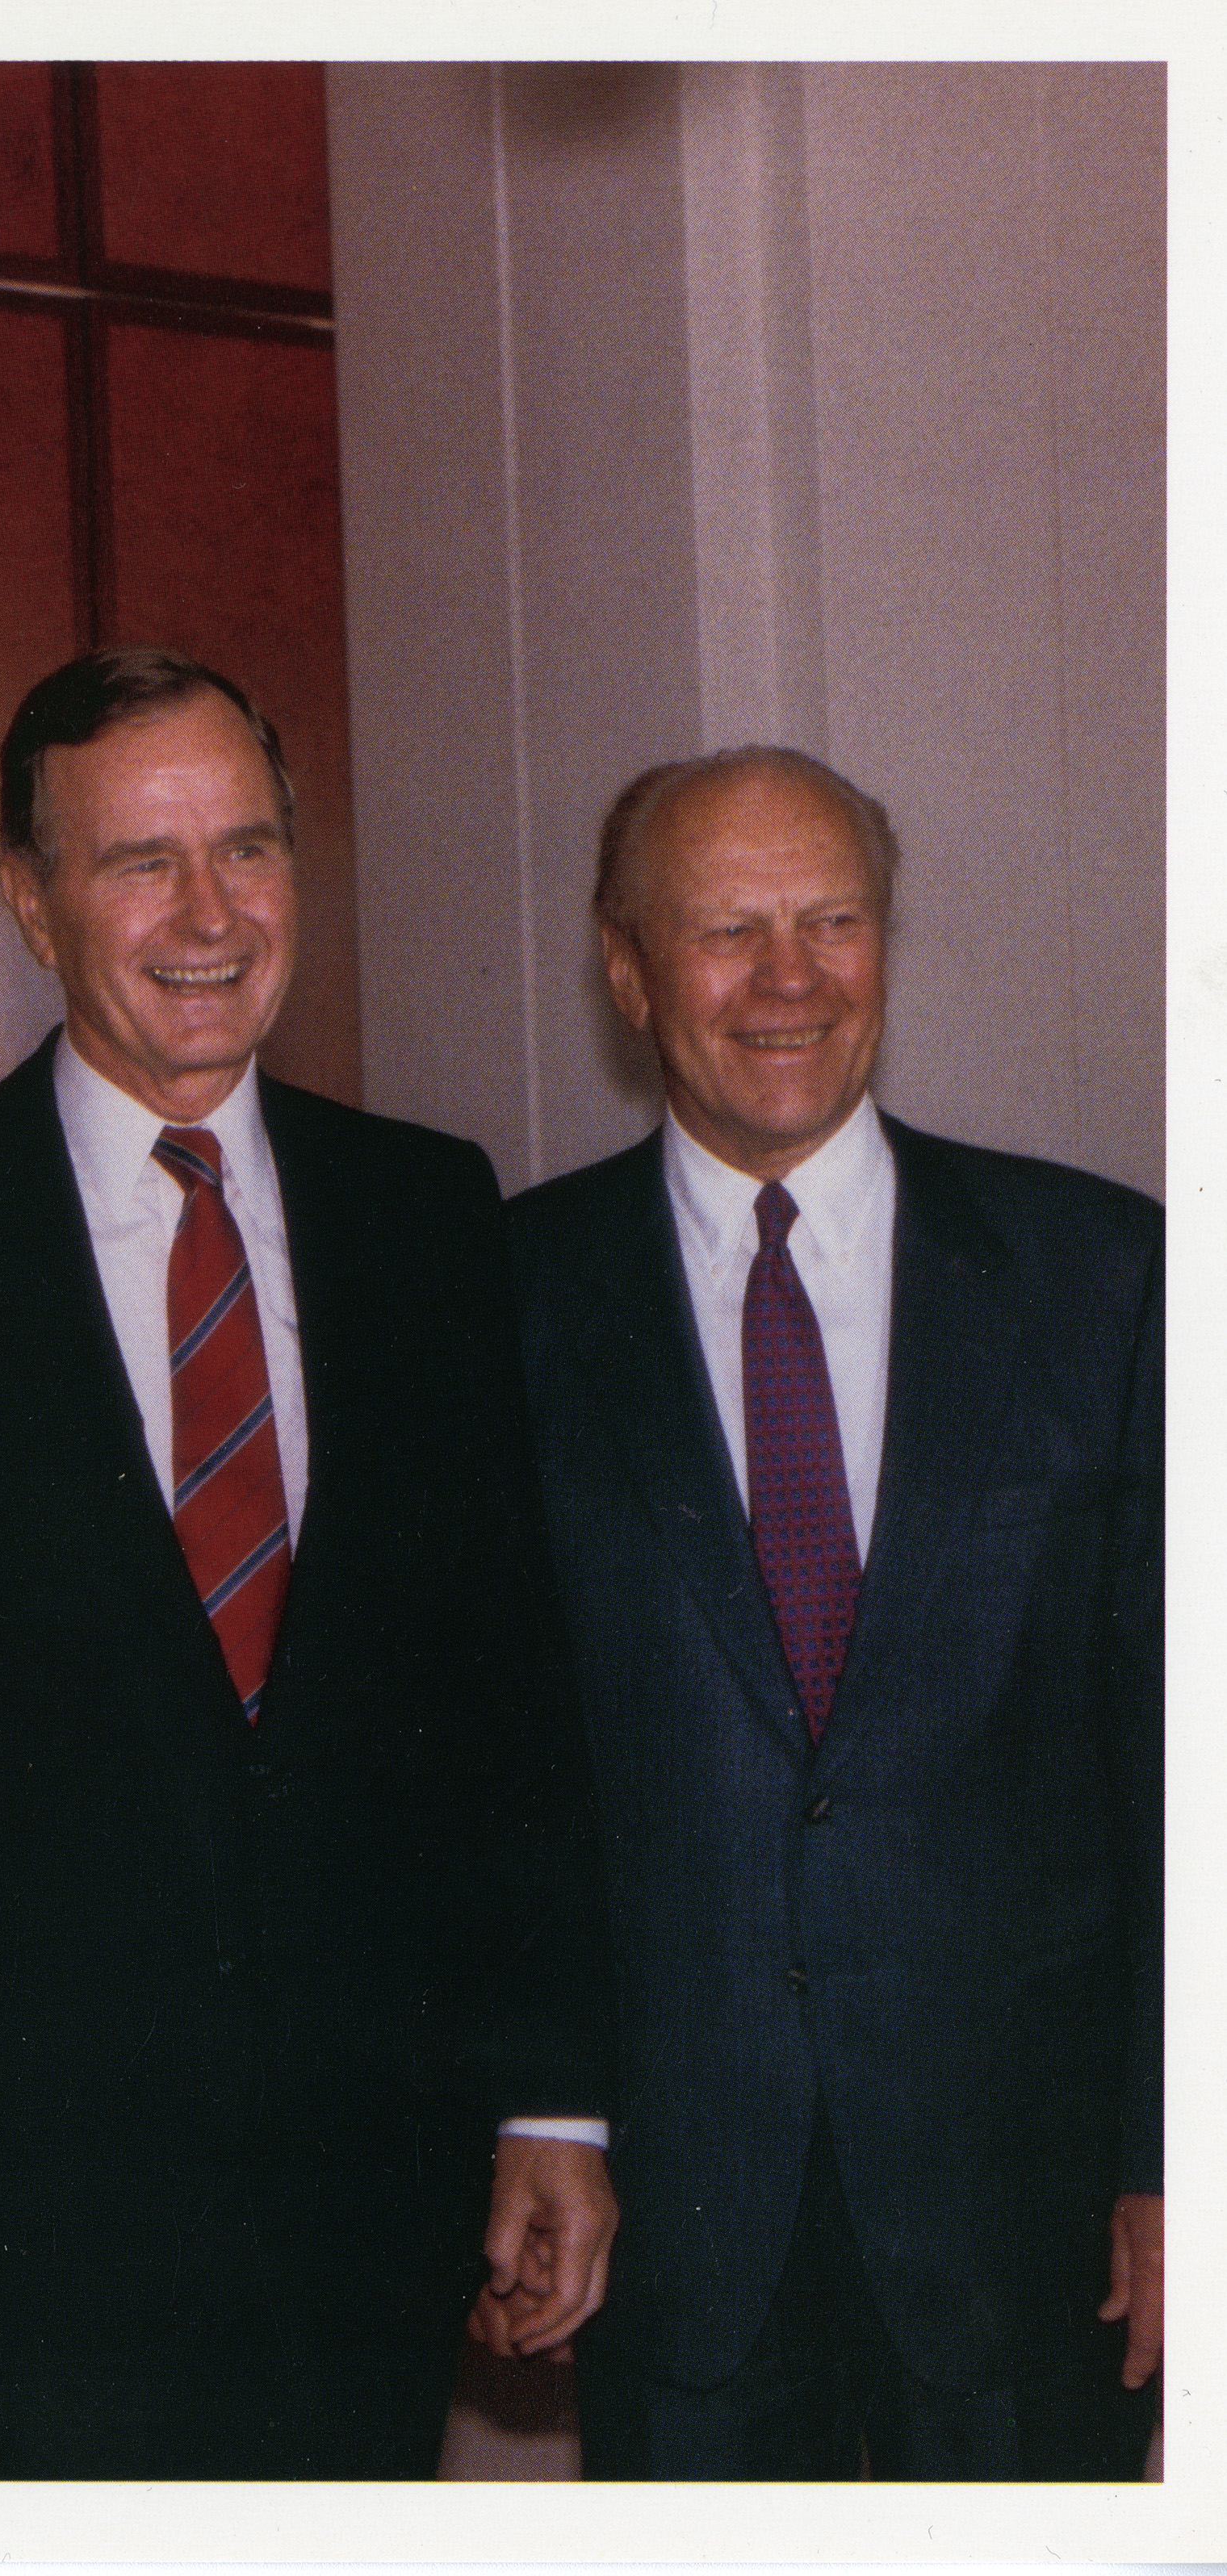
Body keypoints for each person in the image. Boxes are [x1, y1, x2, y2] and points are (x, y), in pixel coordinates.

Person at [0, 647, 616, 2478]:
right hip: (22, 2228)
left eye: (248, 848)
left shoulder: (429, 1212)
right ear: (30, 901)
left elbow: (507, 1691)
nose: (210, 913)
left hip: (367, 2200)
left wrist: (552, 2096)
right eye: (142, 860)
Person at [506, 746, 1161, 2478]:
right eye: (728, 932)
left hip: (1030, 2216)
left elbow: (1184, 1765)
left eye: (833, 922)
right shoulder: (504, 1301)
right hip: (677, 2207)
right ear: (628, 971)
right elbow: (495, 1764)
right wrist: (547, 2103)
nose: (789, 979)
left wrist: (1178, 2152)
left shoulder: (1107, 1278)